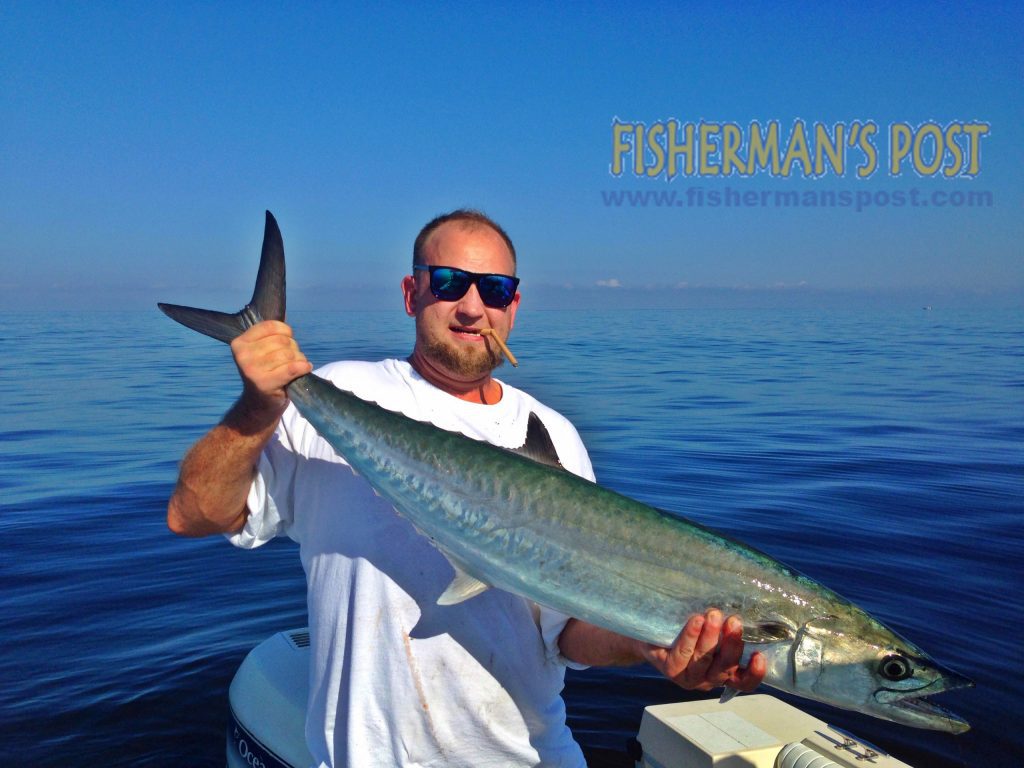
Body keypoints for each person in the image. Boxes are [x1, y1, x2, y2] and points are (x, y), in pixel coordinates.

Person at [167, 210, 765, 768]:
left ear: (515, 307)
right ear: (411, 294)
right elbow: (194, 515)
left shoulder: (552, 435)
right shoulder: (335, 390)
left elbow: (569, 634)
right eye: (450, 282)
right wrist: (257, 404)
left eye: (495, 290)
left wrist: (653, 642)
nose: (472, 307)